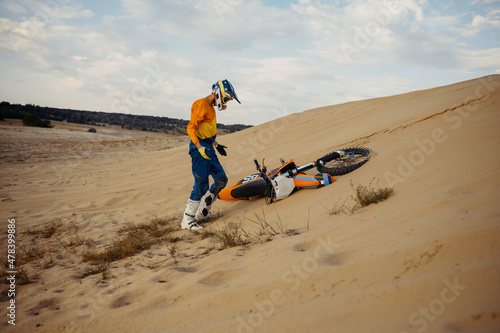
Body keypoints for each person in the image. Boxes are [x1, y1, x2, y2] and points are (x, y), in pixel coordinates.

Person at [181, 79, 241, 230]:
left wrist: (216, 144)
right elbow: (191, 128)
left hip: (209, 147)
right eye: (226, 98)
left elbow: (206, 130)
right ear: (219, 93)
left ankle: (202, 211)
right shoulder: (201, 104)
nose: (226, 101)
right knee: (201, 184)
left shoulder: (210, 107)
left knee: (221, 179)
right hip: (200, 148)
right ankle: (187, 219)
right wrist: (199, 147)